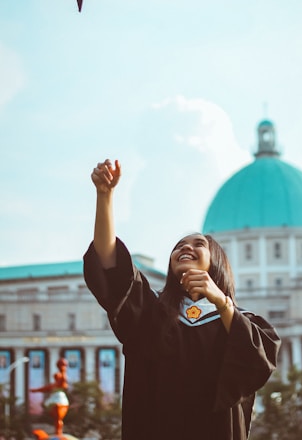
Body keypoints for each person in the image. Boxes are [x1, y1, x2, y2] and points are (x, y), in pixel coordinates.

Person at [83, 159, 281, 440]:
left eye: (198, 244)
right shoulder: (150, 312)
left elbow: (256, 363)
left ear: (217, 264)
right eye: (179, 246)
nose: (186, 247)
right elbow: (110, 264)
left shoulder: (241, 323)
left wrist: (222, 302)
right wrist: (105, 196)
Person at [30, 357, 69, 436]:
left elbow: (64, 381)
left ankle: (58, 431)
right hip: (53, 400)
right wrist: (35, 390)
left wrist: (63, 369)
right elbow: (44, 389)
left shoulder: (61, 383)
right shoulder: (53, 386)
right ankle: (56, 430)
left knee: (58, 416)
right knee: (54, 414)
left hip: (60, 400)